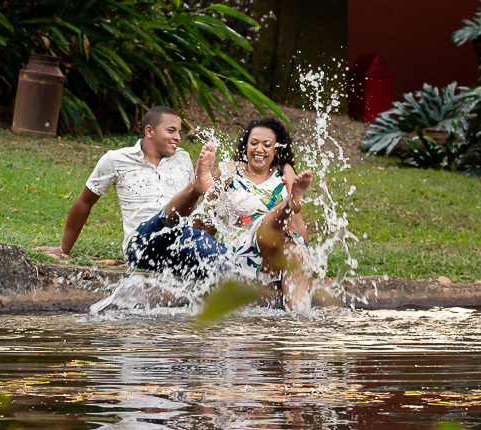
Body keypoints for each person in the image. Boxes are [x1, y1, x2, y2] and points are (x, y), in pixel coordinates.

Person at [36, 106, 225, 278]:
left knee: (214, 254)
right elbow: (85, 201)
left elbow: (188, 210)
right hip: (141, 244)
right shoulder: (116, 159)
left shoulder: (182, 158)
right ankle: (196, 187)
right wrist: (64, 248)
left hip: (181, 242)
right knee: (179, 227)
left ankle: (244, 276)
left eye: (179, 132)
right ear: (149, 131)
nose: (178, 137)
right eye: (171, 130)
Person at [207, 117, 314, 310]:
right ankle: (288, 205)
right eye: (253, 143)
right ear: (245, 146)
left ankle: (299, 320)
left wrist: (306, 252)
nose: (259, 149)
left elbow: (297, 222)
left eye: (267, 144)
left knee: (294, 252)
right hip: (242, 247)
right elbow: (210, 215)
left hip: (275, 250)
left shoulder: (285, 171)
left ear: (276, 149)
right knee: (268, 224)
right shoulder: (229, 171)